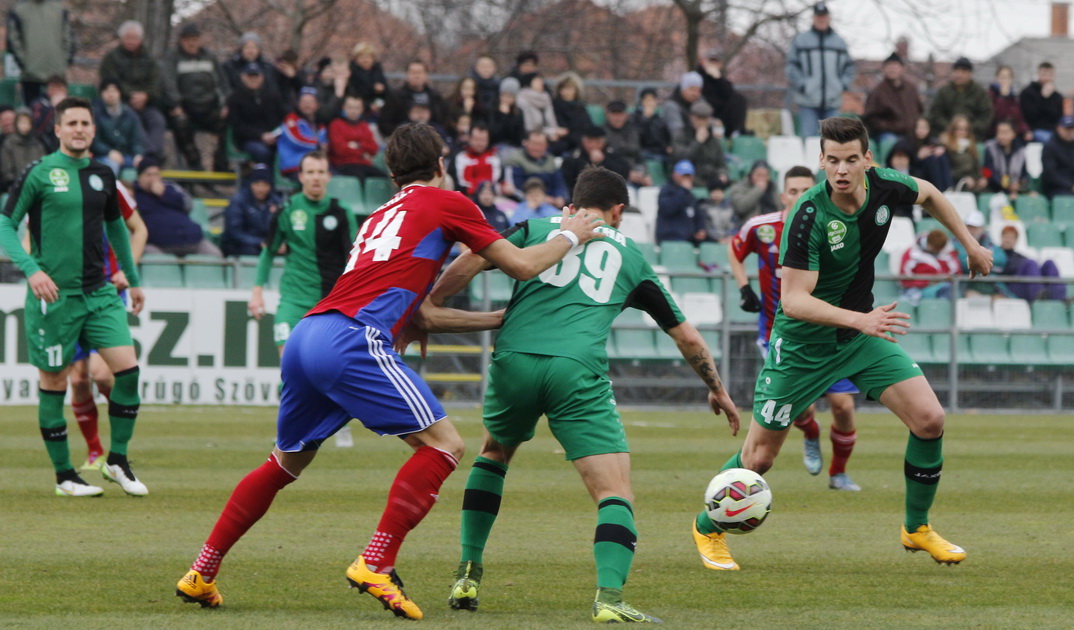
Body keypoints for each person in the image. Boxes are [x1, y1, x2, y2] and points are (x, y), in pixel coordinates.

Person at [174, 122, 607, 618]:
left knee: (283, 464)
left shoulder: (379, 215)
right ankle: (376, 562)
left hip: (309, 335)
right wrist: (570, 235)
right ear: (441, 163)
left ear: (391, 171)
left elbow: (421, 315)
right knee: (445, 446)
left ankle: (201, 571)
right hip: (352, 340)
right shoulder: (448, 202)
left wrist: (499, 319)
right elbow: (524, 265)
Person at [406, 166, 739, 622]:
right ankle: (609, 598)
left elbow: (473, 257)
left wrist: (433, 304)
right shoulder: (630, 255)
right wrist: (717, 389)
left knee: (494, 454)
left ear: (574, 202)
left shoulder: (533, 228)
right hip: (575, 369)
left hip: (514, 361)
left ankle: (467, 571)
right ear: (618, 210)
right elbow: (686, 336)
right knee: (614, 491)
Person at [690, 116, 992, 572]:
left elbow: (929, 193)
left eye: (851, 159)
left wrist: (968, 243)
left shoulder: (885, 185)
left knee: (930, 419)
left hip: (857, 337)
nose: (842, 170)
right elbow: (793, 301)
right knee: (759, 458)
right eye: (832, 160)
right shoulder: (807, 215)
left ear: (867, 160)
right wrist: (861, 319)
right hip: (802, 348)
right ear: (821, 161)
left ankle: (917, 527)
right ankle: (706, 527)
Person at [0, 96, 148, 498]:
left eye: (85, 123)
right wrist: (31, 270)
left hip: (99, 294)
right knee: (55, 382)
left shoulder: (104, 175)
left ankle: (117, 460)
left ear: (93, 130)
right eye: (72, 123)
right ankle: (65, 476)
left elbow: (119, 230)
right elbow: (5, 224)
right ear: (59, 130)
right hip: (54, 299)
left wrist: (133, 280)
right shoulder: (39, 172)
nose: (79, 129)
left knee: (128, 372)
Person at [730, 165, 862, 490]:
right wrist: (744, 287)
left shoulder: (832, 227)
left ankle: (838, 473)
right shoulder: (761, 227)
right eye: (793, 191)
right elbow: (734, 250)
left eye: (806, 190)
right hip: (780, 335)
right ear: (783, 195)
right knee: (800, 409)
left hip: (829, 334)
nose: (800, 196)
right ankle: (811, 432)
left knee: (844, 407)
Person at [68, 183, 146, 471]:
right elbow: (29, 236)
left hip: (106, 290)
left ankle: (119, 446)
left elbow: (140, 229)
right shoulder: (49, 179)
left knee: (102, 375)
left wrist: (128, 270)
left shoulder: (107, 182)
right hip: (68, 294)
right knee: (78, 380)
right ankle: (94, 452)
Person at [247, 150, 355, 357]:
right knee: (289, 362)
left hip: (329, 303)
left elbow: (353, 259)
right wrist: (256, 292)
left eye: (320, 172)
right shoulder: (287, 210)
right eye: (310, 172)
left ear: (328, 176)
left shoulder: (341, 212)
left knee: (322, 368)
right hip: (293, 301)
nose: (316, 177)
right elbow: (268, 252)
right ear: (301, 176)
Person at [162, 23, 231, 172]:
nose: (191, 43)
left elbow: (223, 83)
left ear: (200, 40)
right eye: (187, 40)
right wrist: (176, 105)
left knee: (231, 122)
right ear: (181, 41)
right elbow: (169, 83)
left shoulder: (210, 57)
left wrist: (226, 105)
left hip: (209, 106)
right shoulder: (173, 58)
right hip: (185, 107)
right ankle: (194, 163)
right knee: (180, 123)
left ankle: (221, 163)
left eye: (194, 39)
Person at [98, 21, 168, 160]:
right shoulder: (111, 58)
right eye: (128, 38)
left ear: (140, 40)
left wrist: (146, 96)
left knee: (158, 121)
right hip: (122, 104)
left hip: (147, 103)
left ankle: (154, 155)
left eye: (134, 38)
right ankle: (149, 157)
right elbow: (111, 82)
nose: (131, 41)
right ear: (121, 38)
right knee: (134, 120)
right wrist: (132, 96)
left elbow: (157, 83)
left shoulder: (149, 59)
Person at [785, 2, 855, 137]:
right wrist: (802, 85)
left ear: (829, 17)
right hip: (807, 101)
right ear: (813, 18)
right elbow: (791, 66)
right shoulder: (801, 40)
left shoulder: (839, 42)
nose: (821, 19)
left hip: (833, 101)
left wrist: (841, 85)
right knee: (809, 139)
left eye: (824, 16)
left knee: (832, 139)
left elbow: (849, 67)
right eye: (818, 16)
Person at [134, 156, 223, 257]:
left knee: (215, 254)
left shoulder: (170, 188)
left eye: (156, 174)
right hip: (159, 245)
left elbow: (188, 205)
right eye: (148, 175)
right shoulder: (135, 194)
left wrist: (164, 194)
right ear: (140, 177)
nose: (153, 179)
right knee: (153, 257)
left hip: (193, 240)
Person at [5, 0, 74, 105]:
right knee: (32, 110)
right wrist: (25, 64)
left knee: (58, 109)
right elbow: (13, 40)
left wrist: (64, 63)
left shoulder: (59, 9)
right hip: (30, 75)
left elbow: (68, 38)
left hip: (56, 74)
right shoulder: (19, 10)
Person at [225, 62, 287, 167]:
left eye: (256, 76)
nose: (253, 79)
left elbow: (283, 116)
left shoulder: (273, 95)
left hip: (274, 136)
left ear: (262, 77)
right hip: (249, 140)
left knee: (288, 149)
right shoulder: (235, 98)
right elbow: (237, 126)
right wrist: (260, 136)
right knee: (262, 152)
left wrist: (275, 134)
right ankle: (264, 176)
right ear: (243, 77)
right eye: (250, 76)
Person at [221, 164, 283, 257]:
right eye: (257, 184)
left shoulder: (276, 202)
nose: (261, 189)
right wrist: (259, 242)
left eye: (265, 185)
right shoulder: (238, 201)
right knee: (251, 251)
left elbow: (283, 228)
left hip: (266, 244)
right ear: (251, 184)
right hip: (239, 246)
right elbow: (234, 232)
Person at [928, 57, 993, 142]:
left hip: (973, 138)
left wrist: (968, 129)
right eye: (956, 71)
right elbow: (936, 113)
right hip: (947, 137)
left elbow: (986, 115)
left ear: (970, 73)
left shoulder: (979, 92)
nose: (959, 75)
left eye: (963, 72)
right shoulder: (944, 91)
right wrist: (951, 128)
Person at [378, 60, 448, 138]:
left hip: (431, 138)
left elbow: (444, 119)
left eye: (420, 72)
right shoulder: (396, 96)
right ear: (406, 75)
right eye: (413, 72)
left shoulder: (435, 96)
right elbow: (385, 123)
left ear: (426, 75)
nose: (416, 76)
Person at [862, 52, 922, 144]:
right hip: (887, 134)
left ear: (902, 68)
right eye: (889, 66)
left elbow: (920, 110)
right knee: (892, 143)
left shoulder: (911, 88)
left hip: (911, 133)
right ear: (883, 69)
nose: (892, 70)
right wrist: (888, 127)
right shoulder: (878, 91)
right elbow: (870, 117)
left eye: (895, 66)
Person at [996, 225, 1066, 302]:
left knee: (1049, 264)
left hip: (1025, 284)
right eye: (1006, 237)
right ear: (1001, 237)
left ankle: (1060, 300)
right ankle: (1037, 297)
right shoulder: (996, 254)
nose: (1008, 240)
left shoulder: (1020, 257)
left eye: (1011, 238)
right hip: (1011, 286)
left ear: (1016, 240)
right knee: (1031, 263)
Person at [560, 126, 632, 200]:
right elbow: (569, 182)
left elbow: (623, 174)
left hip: (610, 197)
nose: (593, 145)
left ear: (603, 143)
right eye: (589, 142)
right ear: (583, 142)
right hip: (582, 198)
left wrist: (603, 161)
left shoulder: (612, 155)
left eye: (597, 142)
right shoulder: (573, 158)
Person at [90, 78, 144, 176]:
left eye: (114, 91)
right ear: (101, 94)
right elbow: (95, 141)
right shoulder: (95, 114)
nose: (111, 94)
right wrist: (109, 152)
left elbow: (137, 140)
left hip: (126, 155)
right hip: (102, 156)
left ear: (120, 93)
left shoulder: (131, 115)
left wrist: (138, 155)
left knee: (145, 166)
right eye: (107, 91)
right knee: (112, 166)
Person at [673, 99, 728, 188]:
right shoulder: (681, 135)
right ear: (692, 117)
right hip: (690, 177)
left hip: (711, 178)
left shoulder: (713, 139)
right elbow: (680, 159)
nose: (702, 122)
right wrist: (697, 142)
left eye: (705, 119)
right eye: (699, 118)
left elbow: (721, 164)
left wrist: (722, 174)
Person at [327, 94, 384, 180]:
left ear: (362, 109)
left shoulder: (364, 126)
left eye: (357, 108)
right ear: (344, 107)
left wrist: (358, 145)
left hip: (364, 164)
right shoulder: (336, 124)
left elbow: (374, 148)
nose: (353, 111)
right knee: (359, 177)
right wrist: (362, 153)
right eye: (350, 107)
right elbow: (340, 150)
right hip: (344, 165)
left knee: (383, 178)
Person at [502, 130, 567, 204]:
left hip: (550, 203)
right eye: (534, 144)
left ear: (547, 146)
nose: (536, 148)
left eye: (540, 144)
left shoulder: (551, 161)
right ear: (526, 143)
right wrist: (541, 199)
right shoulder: (515, 160)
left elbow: (558, 184)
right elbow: (513, 189)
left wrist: (560, 197)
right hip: (524, 203)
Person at [898, 229, 960, 306]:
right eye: (934, 248)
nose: (936, 250)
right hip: (918, 289)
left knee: (950, 289)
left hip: (943, 287)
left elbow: (956, 273)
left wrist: (944, 279)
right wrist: (927, 282)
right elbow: (904, 279)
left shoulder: (948, 253)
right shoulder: (911, 253)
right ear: (928, 243)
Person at [695, 48, 748, 137]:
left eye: (715, 62)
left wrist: (718, 79)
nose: (713, 64)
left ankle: (736, 132)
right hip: (706, 114)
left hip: (722, 117)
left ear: (720, 65)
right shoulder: (698, 78)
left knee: (740, 98)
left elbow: (730, 95)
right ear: (704, 62)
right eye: (710, 61)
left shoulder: (722, 80)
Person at [276, 87, 326, 178]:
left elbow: (324, 144)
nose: (307, 105)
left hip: (316, 166)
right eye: (304, 102)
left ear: (317, 105)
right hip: (294, 166)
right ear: (298, 104)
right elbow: (295, 140)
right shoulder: (291, 119)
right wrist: (317, 145)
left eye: (310, 102)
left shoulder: (320, 124)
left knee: (336, 179)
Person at [655, 159, 706, 244]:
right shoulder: (667, 190)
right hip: (670, 236)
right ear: (675, 175)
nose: (686, 179)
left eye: (688, 176)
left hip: (688, 238)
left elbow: (697, 214)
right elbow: (668, 209)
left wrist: (700, 228)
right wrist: (683, 190)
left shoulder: (690, 195)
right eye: (684, 176)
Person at [0, 107, 48, 190]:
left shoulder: (37, 144)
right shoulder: (9, 143)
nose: (24, 126)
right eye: (21, 123)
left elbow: (43, 164)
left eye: (27, 123)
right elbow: (6, 167)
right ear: (16, 124)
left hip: (36, 185)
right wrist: (12, 182)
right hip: (14, 187)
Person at [450, 123, 501, 197]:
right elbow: (454, 183)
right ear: (469, 138)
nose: (479, 143)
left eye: (483, 140)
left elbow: (499, 182)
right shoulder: (459, 157)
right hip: (464, 196)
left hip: (491, 197)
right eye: (476, 139)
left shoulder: (494, 158)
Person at [727, 160, 780, 229]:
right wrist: (758, 190)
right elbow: (741, 207)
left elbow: (780, 208)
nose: (761, 179)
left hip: (772, 227)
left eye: (764, 175)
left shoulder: (772, 189)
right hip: (750, 227)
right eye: (758, 175)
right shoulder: (739, 187)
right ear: (751, 174)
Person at [940, 114, 986, 192]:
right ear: (953, 130)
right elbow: (946, 171)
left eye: (965, 129)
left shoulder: (971, 146)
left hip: (972, 183)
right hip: (955, 184)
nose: (962, 132)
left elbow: (976, 168)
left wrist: (981, 178)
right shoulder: (946, 147)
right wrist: (963, 178)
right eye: (959, 129)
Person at [983, 119, 1028, 198]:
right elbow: (987, 172)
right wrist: (1006, 185)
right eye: (999, 132)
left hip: (1016, 191)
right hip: (993, 190)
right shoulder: (990, 148)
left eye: (1005, 132)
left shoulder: (1020, 151)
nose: (1001, 136)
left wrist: (1018, 185)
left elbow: (1024, 175)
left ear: (1014, 134)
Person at [1019, 61, 1063, 143]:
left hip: (1054, 130)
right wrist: (1043, 98)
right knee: (1053, 141)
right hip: (1034, 129)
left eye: (1049, 75)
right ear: (1038, 74)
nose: (1046, 78)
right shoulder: (1027, 93)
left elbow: (1058, 117)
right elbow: (1030, 116)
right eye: (1044, 74)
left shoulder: (1057, 96)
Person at [907, 117, 953, 192]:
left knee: (941, 157)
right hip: (916, 175)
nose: (921, 130)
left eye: (924, 128)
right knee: (931, 160)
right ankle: (939, 191)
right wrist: (918, 158)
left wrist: (942, 151)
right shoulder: (907, 143)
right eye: (918, 127)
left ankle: (949, 189)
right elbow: (906, 165)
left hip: (931, 175)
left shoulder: (932, 142)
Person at [551, 72, 591, 155]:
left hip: (581, 144)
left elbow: (587, 127)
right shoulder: (555, 106)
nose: (566, 92)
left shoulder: (581, 108)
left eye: (569, 88)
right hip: (564, 145)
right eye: (563, 88)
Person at [988, 66, 1030, 141]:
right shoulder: (990, 95)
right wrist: (1003, 97)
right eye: (1002, 77)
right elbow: (996, 115)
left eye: (1007, 78)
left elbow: (1019, 118)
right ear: (997, 78)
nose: (1004, 81)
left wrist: (1025, 130)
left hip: (1013, 134)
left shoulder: (1013, 97)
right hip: (995, 134)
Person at [347, 43, 388, 115]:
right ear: (356, 59)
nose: (365, 60)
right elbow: (353, 93)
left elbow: (385, 93)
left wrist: (381, 90)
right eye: (361, 57)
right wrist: (368, 106)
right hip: (359, 108)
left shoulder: (378, 72)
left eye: (368, 57)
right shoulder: (352, 73)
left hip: (377, 106)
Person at [633, 87, 672, 160]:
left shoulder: (659, 119)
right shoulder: (635, 117)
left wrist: (668, 147)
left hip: (660, 152)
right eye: (647, 100)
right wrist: (646, 118)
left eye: (652, 99)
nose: (650, 103)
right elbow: (637, 137)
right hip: (643, 152)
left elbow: (666, 137)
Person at [30, 74, 67, 152]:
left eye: (59, 88)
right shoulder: (38, 104)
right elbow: (37, 129)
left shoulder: (72, 105)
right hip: (43, 146)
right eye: (53, 88)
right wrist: (52, 109)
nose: (56, 91)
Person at [1040, 115, 1074, 199]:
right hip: (1056, 188)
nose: (1069, 132)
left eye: (1071, 129)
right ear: (1058, 129)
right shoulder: (1050, 146)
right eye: (1066, 129)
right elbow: (1050, 174)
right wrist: (1070, 185)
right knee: (1066, 198)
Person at [488, 76, 525, 148]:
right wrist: (503, 116)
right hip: (496, 144)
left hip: (513, 145)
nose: (507, 99)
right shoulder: (493, 109)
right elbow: (494, 134)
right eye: (504, 95)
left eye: (510, 96)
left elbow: (518, 135)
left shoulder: (518, 112)